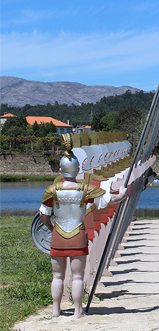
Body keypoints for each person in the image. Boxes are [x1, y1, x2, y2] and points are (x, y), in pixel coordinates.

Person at [39, 135, 126, 318]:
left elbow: (43, 214)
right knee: (77, 276)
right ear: (77, 169)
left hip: (58, 235)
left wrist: (51, 228)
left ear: (61, 169)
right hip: (77, 234)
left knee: (57, 276)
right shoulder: (85, 189)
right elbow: (110, 199)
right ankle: (77, 311)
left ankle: (56, 310)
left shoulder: (51, 190)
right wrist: (123, 193)